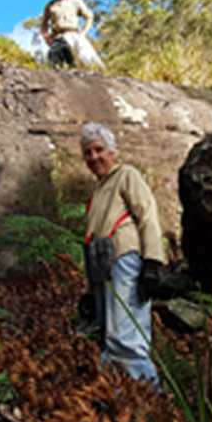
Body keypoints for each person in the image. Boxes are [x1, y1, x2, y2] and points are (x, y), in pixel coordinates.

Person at [80, 122, 164, 387]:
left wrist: (152, 263)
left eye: (99, 150)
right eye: (88, 153)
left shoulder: (127, 175)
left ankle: (151, 409)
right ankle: (118, 407)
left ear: (114, 151)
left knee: (126, 339)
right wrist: (89, 291)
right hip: (101, 270)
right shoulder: (96, 193)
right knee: (108, 339)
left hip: (125, 262)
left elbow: (148, 215)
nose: (94, 157)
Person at [40, 0, 105, 70]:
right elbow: (44, 23)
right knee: (56, 58)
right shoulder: (51, 5)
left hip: (73, 34)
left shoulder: (75, 2)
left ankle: (99, 72)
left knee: (87, 55)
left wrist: (83, 33)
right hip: (58, 36)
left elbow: (89, 16)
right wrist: (46, 36)